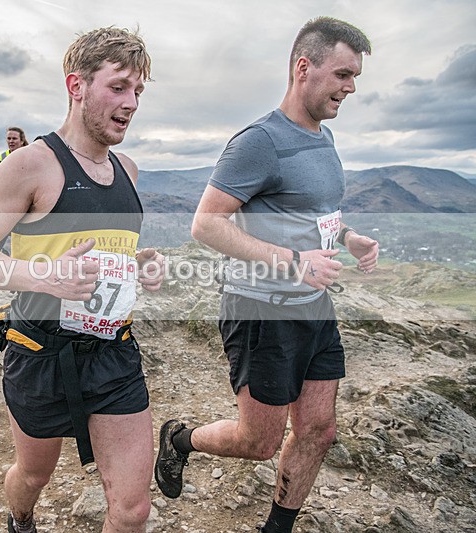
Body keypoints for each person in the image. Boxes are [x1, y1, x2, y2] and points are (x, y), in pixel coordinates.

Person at [154, 17, 379, 533]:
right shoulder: (258, 141)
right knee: (258, 442)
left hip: (314, 309)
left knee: (319, 430)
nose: (350, 88)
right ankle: (179, 438)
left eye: (355, 78)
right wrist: (294, 262)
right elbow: (205, 224)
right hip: (261, 311)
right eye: (343, 74)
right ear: (304, 68)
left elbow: (316, 213)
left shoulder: (323, 139)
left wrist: (348, 237)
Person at [0, 27, 164, 533]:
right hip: (40, 352)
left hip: (113, 354)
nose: (131, 102)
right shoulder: (31, 165)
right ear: (77, 86)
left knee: (133, 508)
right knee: (32, 474)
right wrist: (44, 276)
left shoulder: (128, 170)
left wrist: (141, 265)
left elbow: (108, 254)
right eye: (118, 87)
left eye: (138, 91)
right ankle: (20, 520)